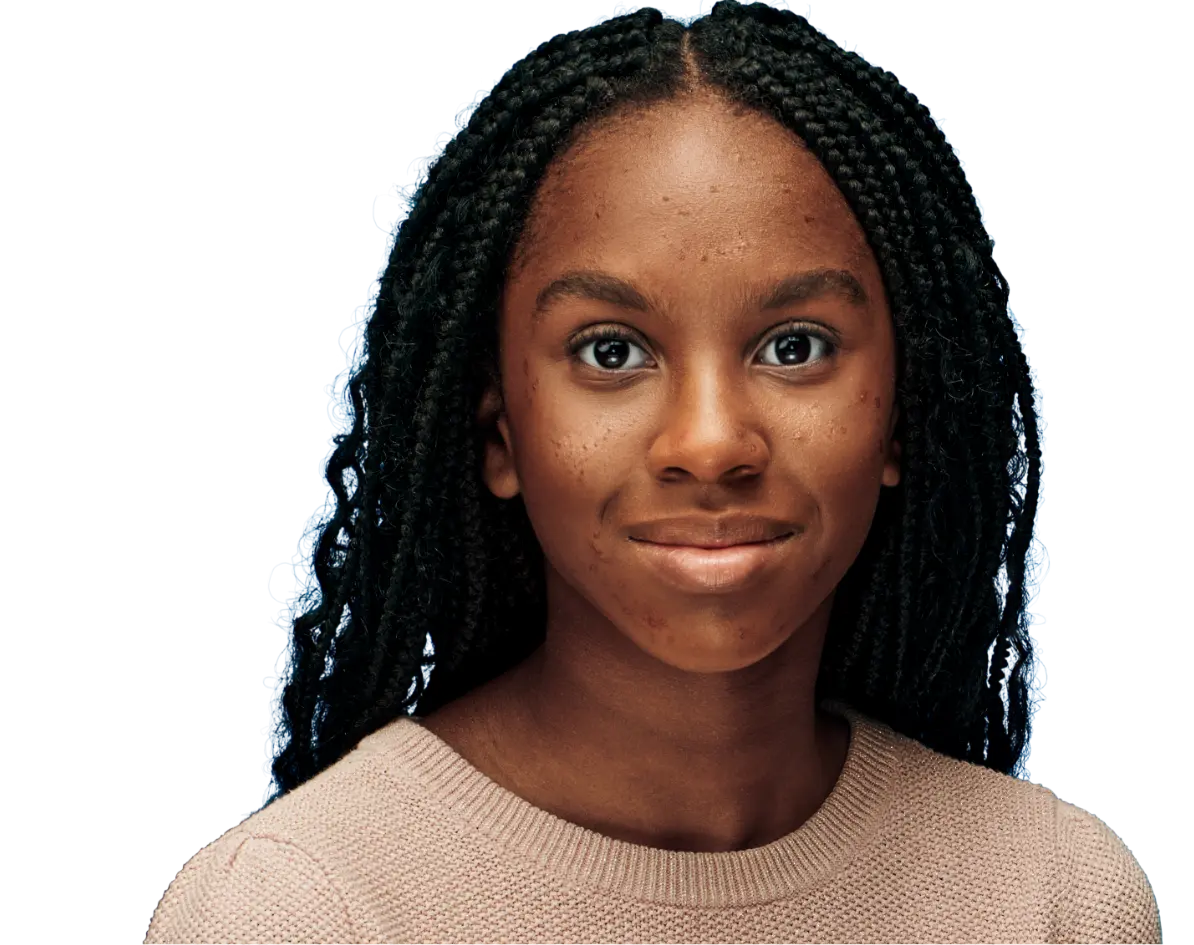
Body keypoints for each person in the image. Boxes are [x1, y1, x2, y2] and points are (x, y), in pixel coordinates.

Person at [145, 2, 1161, 942]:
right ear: (499, 434)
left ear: (901, 417)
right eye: (611, 351)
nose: (710, 443)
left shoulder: (1051, 899)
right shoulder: (304, 911)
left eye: (796, 346)